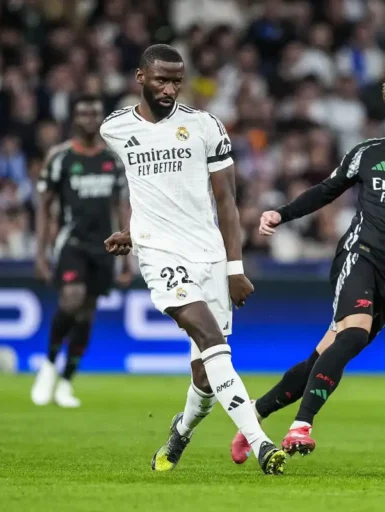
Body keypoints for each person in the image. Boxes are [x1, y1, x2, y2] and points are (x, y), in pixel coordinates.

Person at [230, 71, 385, 463]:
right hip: (358, 256)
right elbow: (326, 191)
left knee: (324, 357)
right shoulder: (368, 153)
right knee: (355, 333)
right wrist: (282, 214)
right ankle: (301, 427)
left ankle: (253, 416)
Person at [100, 44, 286, 475]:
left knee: (205, 376)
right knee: (212, 340)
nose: (170, 88)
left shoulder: (204, 126)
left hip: (209, 255)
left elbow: (227, 201)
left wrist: (234, 268)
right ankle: (261, 445)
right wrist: (137, 233)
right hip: (160, 254)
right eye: (162, 80)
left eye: (177, 81)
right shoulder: (115, 129)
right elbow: (139, 186)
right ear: (140, 78)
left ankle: (181, 430)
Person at [31, 95, 131, 408]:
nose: (89, 118)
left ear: (101, 118)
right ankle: (48, 365)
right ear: (74, 118)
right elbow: (44, 207)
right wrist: (40, 253)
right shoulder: (60, 157)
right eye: (83, 113)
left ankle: (66, 382)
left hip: (105, 247)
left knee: (87, 313)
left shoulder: (114, 159)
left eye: (95, 113)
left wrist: (128, 256)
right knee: (71, 299)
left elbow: (123, 207)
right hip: (72, 242)